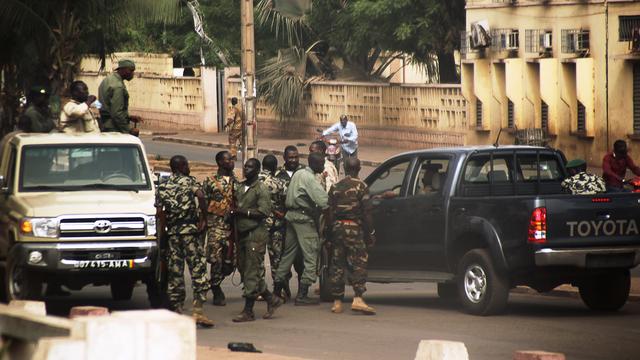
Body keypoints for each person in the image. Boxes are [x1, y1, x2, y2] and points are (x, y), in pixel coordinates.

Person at [155, 155, 214, 327]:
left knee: (176, 272)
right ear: (181, 166)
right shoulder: (190, 182)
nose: (188, 167)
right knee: (198, 270)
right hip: (190, 233)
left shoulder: (163, 186)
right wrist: (204, 218)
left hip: (173, 234)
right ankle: (198, 311)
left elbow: (160, 212)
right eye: (186, 164)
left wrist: (165, 231)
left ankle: (178, 309)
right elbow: (201, 196)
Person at [273, 153, 329, 305]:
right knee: (311, 254)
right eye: (321, 163)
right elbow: (324, 201)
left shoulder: (299, 173)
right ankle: (302, 295)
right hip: (303, 219)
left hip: (291, 217)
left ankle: (276, 291)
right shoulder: (309, 178)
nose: (323, 165)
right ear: (314, 164)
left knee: (288, 255)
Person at [232, 158, 282, 322]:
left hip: (255, 234)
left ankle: (248, 311)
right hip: (242, 234)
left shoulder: (261, 189)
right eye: (245, 166)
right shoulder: (240, 186)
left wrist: (242, 212)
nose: (246, 169)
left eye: (250, 167)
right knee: (246, 270)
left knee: (252, 272)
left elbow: (264, 212)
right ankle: (271, 298)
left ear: (258, 169)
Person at [327, 157, 376, 315]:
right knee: (358, 263)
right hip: (355, 229)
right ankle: (358, 298)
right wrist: (370, 233)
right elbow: (367, 213)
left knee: (337, 264)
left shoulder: (335, 187)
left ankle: (337, 302)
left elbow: (329, 212)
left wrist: (329, 233)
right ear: (359, 169)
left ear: (344, 169)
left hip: (338, 229)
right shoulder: (362, 187)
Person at [203, 150, 236, 306]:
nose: (231, 161)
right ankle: (216, 288)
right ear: (220, 162)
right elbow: (203, 204)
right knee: (216, 260)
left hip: (233, 227)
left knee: (234, 259)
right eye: (228, 159)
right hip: (216, 226)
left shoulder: (237, 181)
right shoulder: (210, 182)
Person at [274, 145, 306, 300]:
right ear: (284, 158)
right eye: (290, 157)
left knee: (301, 260)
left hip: (300, 223)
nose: (293, 160)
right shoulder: (277, 175)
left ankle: (302, 292)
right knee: (282, 259)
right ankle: (282, 290)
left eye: (296, 157)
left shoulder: (305, 173)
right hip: (282, 225)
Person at [258, 154, 287, 285]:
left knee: (257, 260)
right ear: (275, 167)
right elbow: (286, 202)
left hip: (256, 226)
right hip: (275, 226)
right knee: (277, 259)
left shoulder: (252, 181)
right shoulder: (278, 183)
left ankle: (259, 289)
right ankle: (278, 288)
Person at [98, 59, 142, 136]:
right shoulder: (118, 86)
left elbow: (107, 105)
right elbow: (116, 113)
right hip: (114, 128)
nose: (132, 74)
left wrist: (128, 117)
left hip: (105, 124)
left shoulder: (107, 80)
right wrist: (128, 130)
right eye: (130, 71)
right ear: (123, 69)